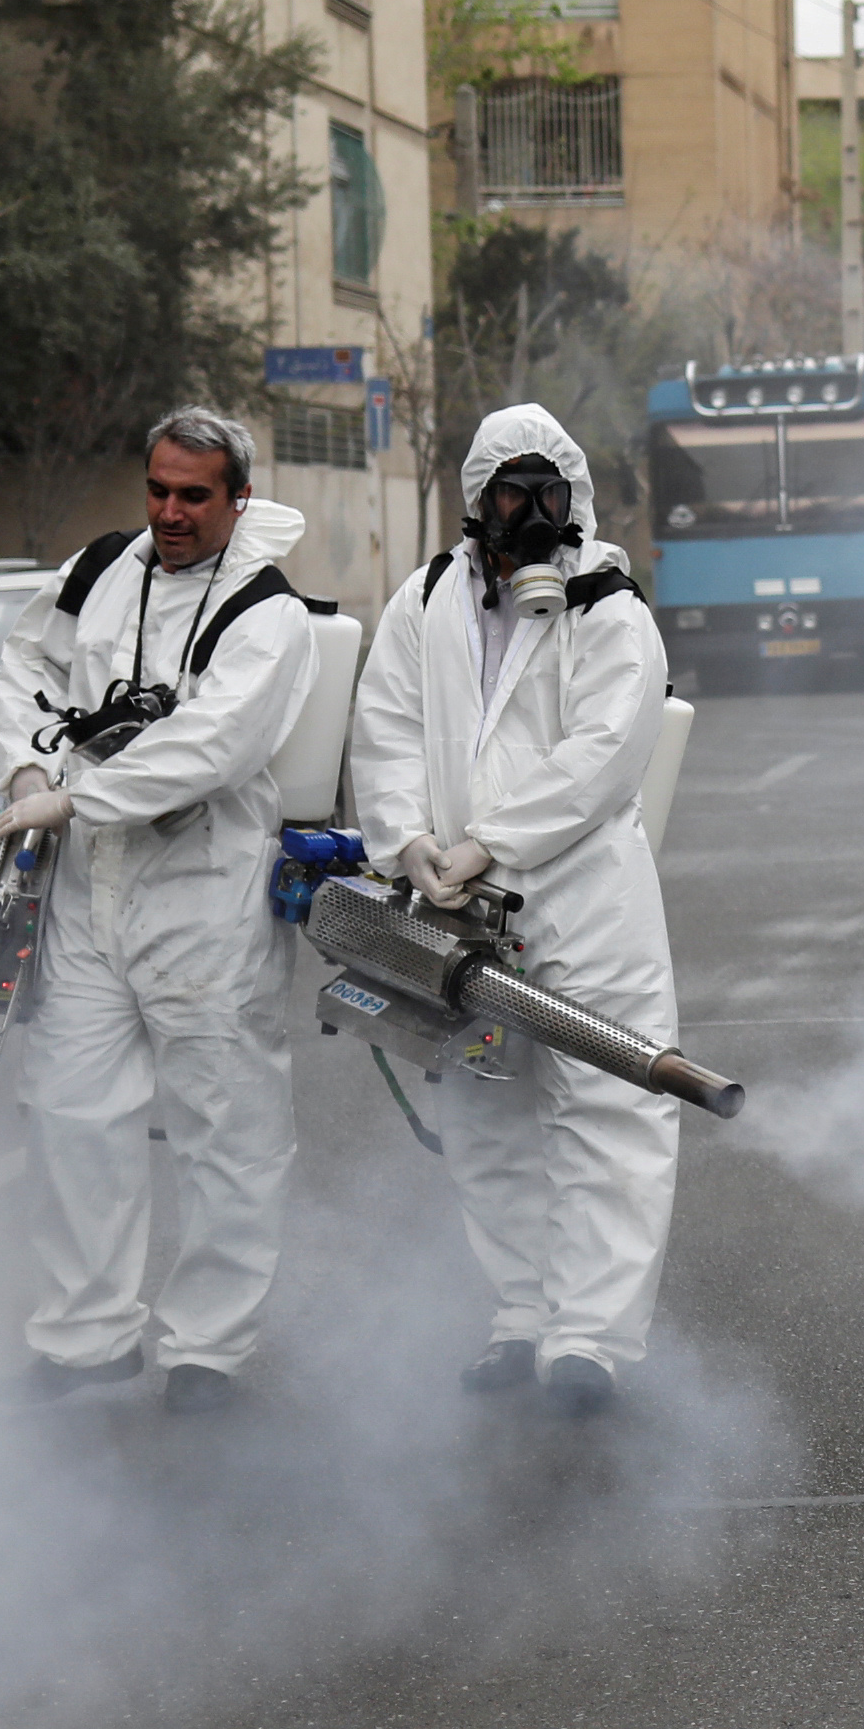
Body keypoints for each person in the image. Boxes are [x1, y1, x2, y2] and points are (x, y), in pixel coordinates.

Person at [348, 405, 682, 1418]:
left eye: (550, 495)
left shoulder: (608, 609)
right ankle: (522, 1316)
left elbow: (602, 753)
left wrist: (492, 842)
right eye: (513, 495)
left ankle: (591, 1339)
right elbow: (387, 727)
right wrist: (407, 841)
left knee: (606, 1109)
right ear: (478, 504)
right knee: (487, 1107)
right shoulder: (428, 598)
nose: (533, 515)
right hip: (452, 902)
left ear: (573, 501)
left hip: (582, 903)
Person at [0, 408, 320, 1412]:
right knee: (71, 1113)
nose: (170, 512)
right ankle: (85, 1335)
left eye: (194, 496)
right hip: (93, 884)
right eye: (158, 490)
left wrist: (73, 795)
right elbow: (26, 668)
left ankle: (209, 1351)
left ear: (236, 498)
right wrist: (30, 763)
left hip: (204, 892)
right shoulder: (97, 573)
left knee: (224, 1127)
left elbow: (211, 745)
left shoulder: (269, 613)